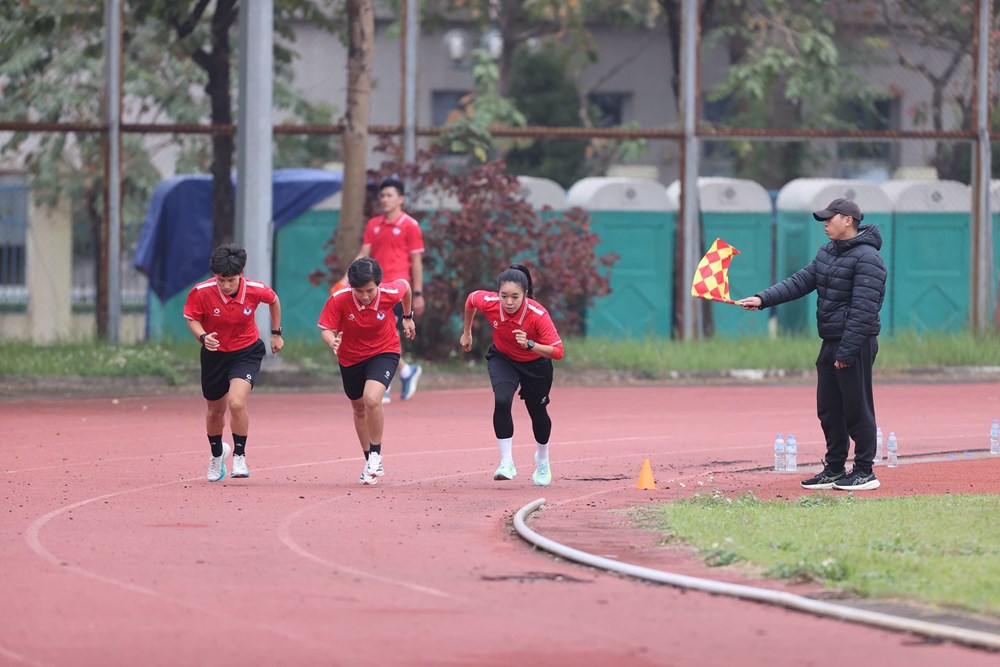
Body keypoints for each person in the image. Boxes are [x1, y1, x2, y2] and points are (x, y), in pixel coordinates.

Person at [738, 198, 886, 491]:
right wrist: (763, 299)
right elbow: (799, 282)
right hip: (830, 340)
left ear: (848, 220)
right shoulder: (827, 253)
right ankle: (833, 468)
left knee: (857, 408)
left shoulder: (868, 258)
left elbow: (863, 310)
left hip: (855, 343)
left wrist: (846, 351)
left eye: (830, 219)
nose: (825, 224)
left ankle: (865, 471)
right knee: (830, 409)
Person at [184, 243, 283, 482]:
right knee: (215, 410)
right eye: (221, 280)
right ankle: (217, 456)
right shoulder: (201, 291)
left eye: (231, 280)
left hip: (246, 351)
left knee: (236, 402)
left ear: (242, 274)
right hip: (215, 353)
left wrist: (276, 333)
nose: (226, 285)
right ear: (214, 276)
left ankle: (240, 455)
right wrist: (203, 336)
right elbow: (192, 319)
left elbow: (274, 300)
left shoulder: (255, 289)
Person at [460, 264, 565, 486]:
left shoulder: (537, 315)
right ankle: (506, 462)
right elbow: (471, 300)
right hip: (503, 358)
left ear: (525, 295)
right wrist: (467, 332)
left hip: (535, 364)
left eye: (515, 297)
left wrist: (530, 344)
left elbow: (558, 351)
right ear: (497, 293)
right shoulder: (489, 303)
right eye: (504, 296)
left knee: (538, 413)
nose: (508, 302)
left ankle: (542, 459)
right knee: (502, 399)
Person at [318, 256, 415, 485]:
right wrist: (331, 341)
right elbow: (325, 329)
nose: (364, 296)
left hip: (384, 351)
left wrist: (408, 317)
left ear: (378, 285)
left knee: (372, 399)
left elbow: (407, 287)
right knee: (358, 407)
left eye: (369, 290)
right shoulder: (339, 299)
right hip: (350, 358)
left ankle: (376, 455)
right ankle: (368, 459)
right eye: (359, 291)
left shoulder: (389, 293)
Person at [344, 178, 425, 403]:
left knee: (389, 332)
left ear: (401, 199)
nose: (385, 199)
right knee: (375, 332)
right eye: (382, 196)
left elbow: (416, 261)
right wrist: (346, 277)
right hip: (372, 289)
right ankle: (405, 371)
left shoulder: (410, 225)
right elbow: (364, 251)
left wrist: (417, 293)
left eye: (390, 195)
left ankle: (383, 383)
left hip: (396, 290)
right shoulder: (373, 225)